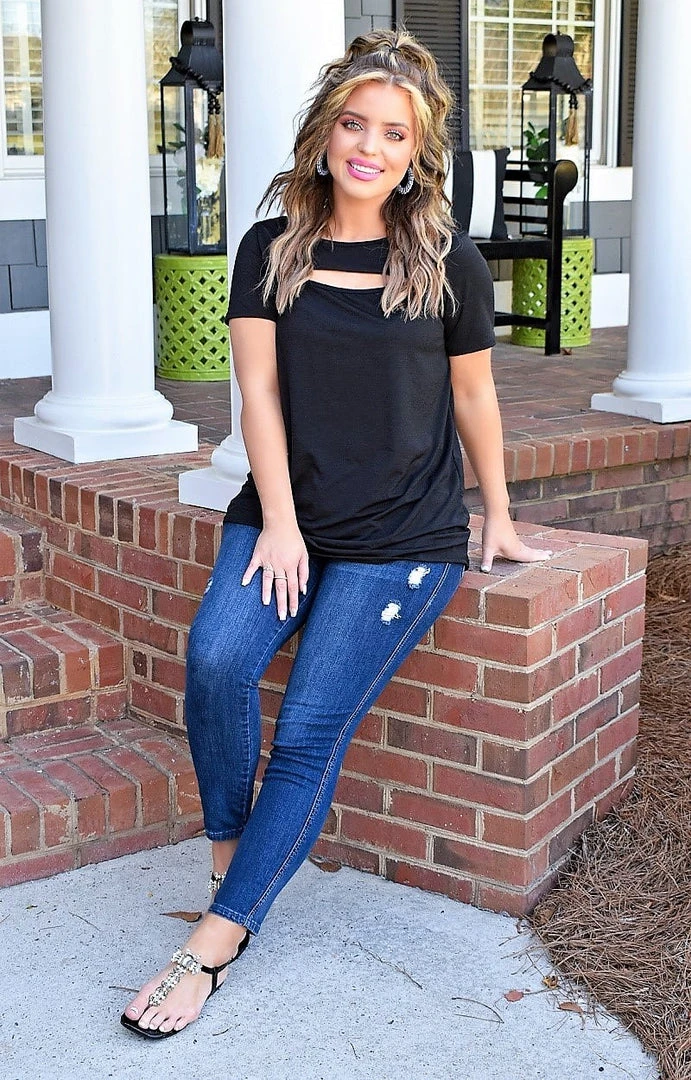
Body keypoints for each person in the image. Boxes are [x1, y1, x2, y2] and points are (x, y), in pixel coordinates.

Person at [121, 27, 551, 1039]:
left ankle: (215, 941)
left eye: (393, 133)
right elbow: (258, 395)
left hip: (401, 538)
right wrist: (279, 523)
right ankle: (232, 857)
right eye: (354, 124)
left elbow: (475, 398)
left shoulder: (446, 259)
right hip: (286, 516)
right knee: (216, 661)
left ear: (416, 152)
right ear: (324, 133)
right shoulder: (269, 249)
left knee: (309, 730)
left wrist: (497, 510)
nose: (369, 147)